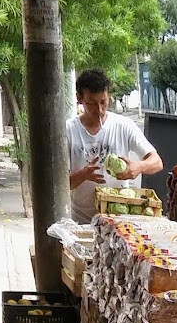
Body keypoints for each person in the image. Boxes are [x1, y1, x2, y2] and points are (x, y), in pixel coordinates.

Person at [66, 68, 163, 223]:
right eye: (91, 103)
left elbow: (157, 162)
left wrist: (139, 167)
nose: (99, 110)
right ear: (79, 98)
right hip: (81, 221)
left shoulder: (124, 125)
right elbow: (60, 185)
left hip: (118, 222)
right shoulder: (68, 130)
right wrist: (83, 175)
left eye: (103, 102)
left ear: (108, 96)